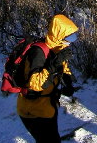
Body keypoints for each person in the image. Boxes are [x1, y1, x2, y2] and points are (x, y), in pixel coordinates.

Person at [17, 14, 79, 143]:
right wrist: (55, 64)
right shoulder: (39, 52)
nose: (69, 43)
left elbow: (62, 67)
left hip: (47, 107)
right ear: (58, 36)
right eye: (68, 39)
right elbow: (35, 84)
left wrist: (68, 81)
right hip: (33, 111)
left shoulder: (56, 48)